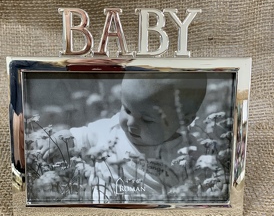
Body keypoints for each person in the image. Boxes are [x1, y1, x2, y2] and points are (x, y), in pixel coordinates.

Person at [39, 73, 226, 203]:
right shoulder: (110, 130)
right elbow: (80, 136)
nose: (130, 123)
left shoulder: (190, 155)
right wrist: (62, 141)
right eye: (126, 109)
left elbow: (209, 186)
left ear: (183, 120)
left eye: (147, 120)